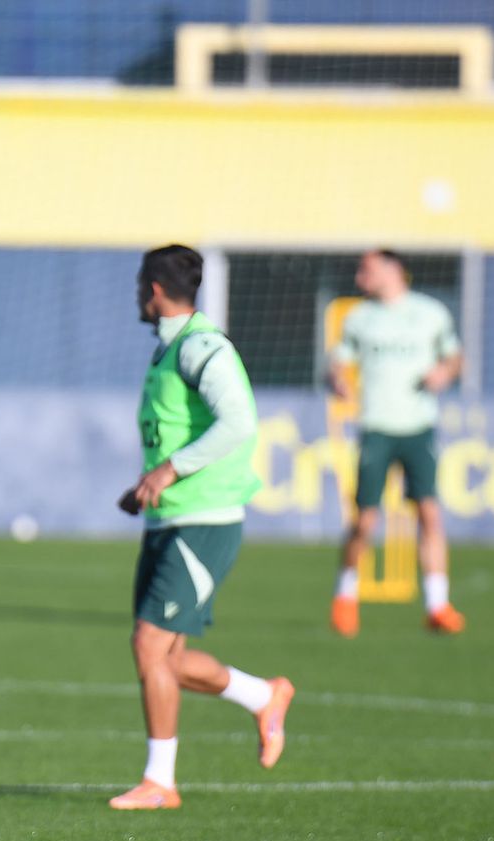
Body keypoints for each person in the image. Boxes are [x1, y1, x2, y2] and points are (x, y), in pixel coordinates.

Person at [112, 244, 294, 811]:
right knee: (165, 658)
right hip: (171, 517)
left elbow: (239, 422)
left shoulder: (202, 347)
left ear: (155, 290)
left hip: (205, 519)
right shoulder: (171, 349)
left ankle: (161, 781)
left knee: (149, 647)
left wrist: (168, 469)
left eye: (142, 283)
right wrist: (148, 483)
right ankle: (264, 695)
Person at [328, 249, 465, 636]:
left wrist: (444, 372)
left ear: (392, 270)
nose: (360, 277)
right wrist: (337, 378)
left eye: (366, 269)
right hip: (377, 427)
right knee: (365, 519)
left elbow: (454, 358)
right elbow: (338, 360)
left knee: (429, 513)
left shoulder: (431, 313)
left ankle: (438, 605)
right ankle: (345, 595)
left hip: (418, 427)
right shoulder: (359, 319)